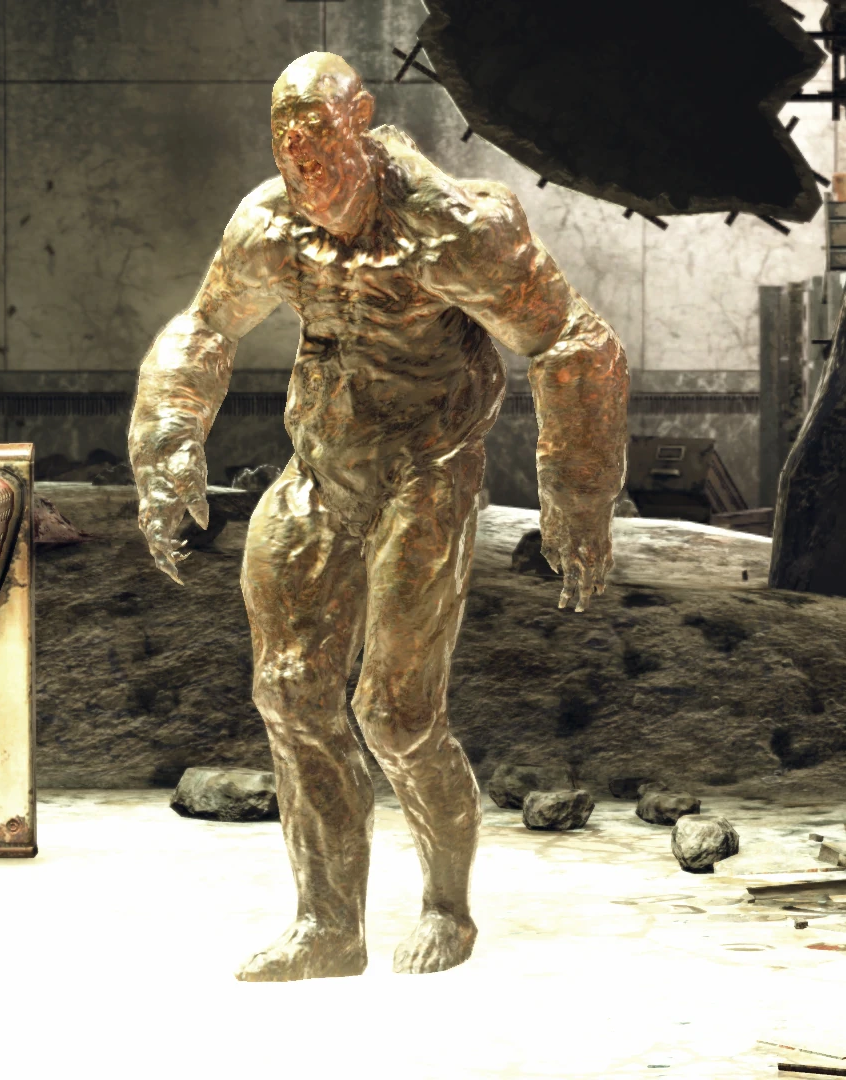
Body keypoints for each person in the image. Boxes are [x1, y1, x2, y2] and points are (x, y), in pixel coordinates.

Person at [128, 52, 628, 981]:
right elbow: (204, 326)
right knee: (289, 692)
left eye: (320, 144)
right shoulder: (270, 224)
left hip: (424, 470)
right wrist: (166, 441)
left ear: (358, 124)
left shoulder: (454, 226)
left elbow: (571, 341)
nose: (305, 169)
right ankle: (328, 926)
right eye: (288, 150)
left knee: (395, 715)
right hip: (321, 466)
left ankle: (447, 906)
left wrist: (578, 492)